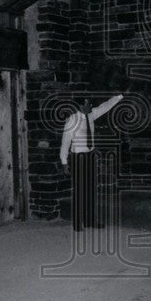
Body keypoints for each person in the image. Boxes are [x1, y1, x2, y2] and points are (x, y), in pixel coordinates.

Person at [60, 94, 123, 233]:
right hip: (78, 158)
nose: (91, 106)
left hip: (90, 156)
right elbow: (65, 143)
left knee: (91, 190)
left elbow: (105, 106)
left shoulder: (91, 115)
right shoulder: (72, 120)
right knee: (80, 191)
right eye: (88, 104)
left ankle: (90, 220)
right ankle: (77, 223)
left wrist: (119, 97)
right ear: (81, 106)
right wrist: (64, 162)